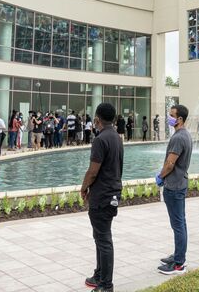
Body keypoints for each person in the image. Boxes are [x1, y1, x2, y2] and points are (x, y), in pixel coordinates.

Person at [80, 103, 123, 292]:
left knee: (103, 239)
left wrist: (84, 187)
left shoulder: (100, 139)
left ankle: (106, 285)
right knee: (100, 237)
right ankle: (99, 275)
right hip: (112, 191)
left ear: (97, 119)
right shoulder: (116, 137)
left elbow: (93, 170)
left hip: (102, 195)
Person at [157, 105, 192, 275]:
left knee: (178, 225)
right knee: (180, 223)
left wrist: (161, 176)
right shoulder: (185, 134)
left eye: (171, 116)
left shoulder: (178, 137)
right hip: (179, 183)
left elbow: (170, 163)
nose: (168, 118)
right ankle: (178, 255)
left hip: (174, 186)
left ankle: (178, 263)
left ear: (179, 119)